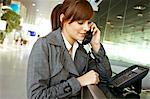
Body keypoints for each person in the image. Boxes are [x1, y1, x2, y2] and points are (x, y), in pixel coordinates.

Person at [27, 0, 112, 99]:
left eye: (88, 22)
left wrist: (96, 45)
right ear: (63, 19)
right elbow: (36, 96)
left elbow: (105, 77)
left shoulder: (81, 52)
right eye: (80, 22)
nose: (86, 28)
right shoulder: (44, 46)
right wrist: (79, 82)